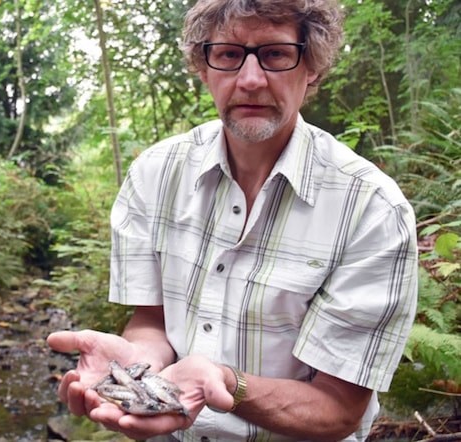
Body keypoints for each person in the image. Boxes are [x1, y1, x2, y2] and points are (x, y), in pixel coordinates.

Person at [47, 0, 419, 440]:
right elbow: (152, 320)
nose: (250, 79)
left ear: (312, 66)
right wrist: (135, 365)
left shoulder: (372, 211)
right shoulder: (154, 174)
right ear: (203, 67)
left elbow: (339, 410)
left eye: (276, 55)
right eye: (227, 55)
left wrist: (227, 385)